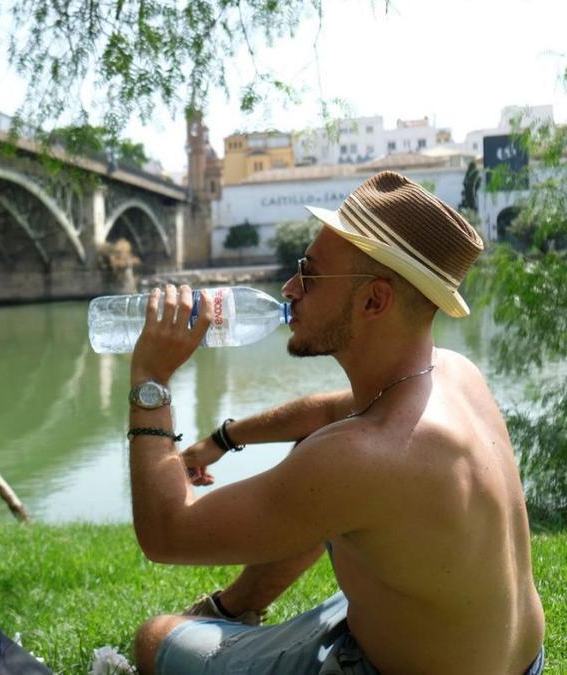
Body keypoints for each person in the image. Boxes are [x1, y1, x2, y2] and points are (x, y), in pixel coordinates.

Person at [125, 171, 545, 674]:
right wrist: (222, 439)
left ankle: (226, 626)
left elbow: (167, 534)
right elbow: (328, 410)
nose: (289, 287)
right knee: (319, 470)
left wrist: (152, 379)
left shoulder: (363, 457)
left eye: (309, 272)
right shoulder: (454, 375)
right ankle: (234, 610)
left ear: (374, 300)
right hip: (511, 659)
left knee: (155, 638)